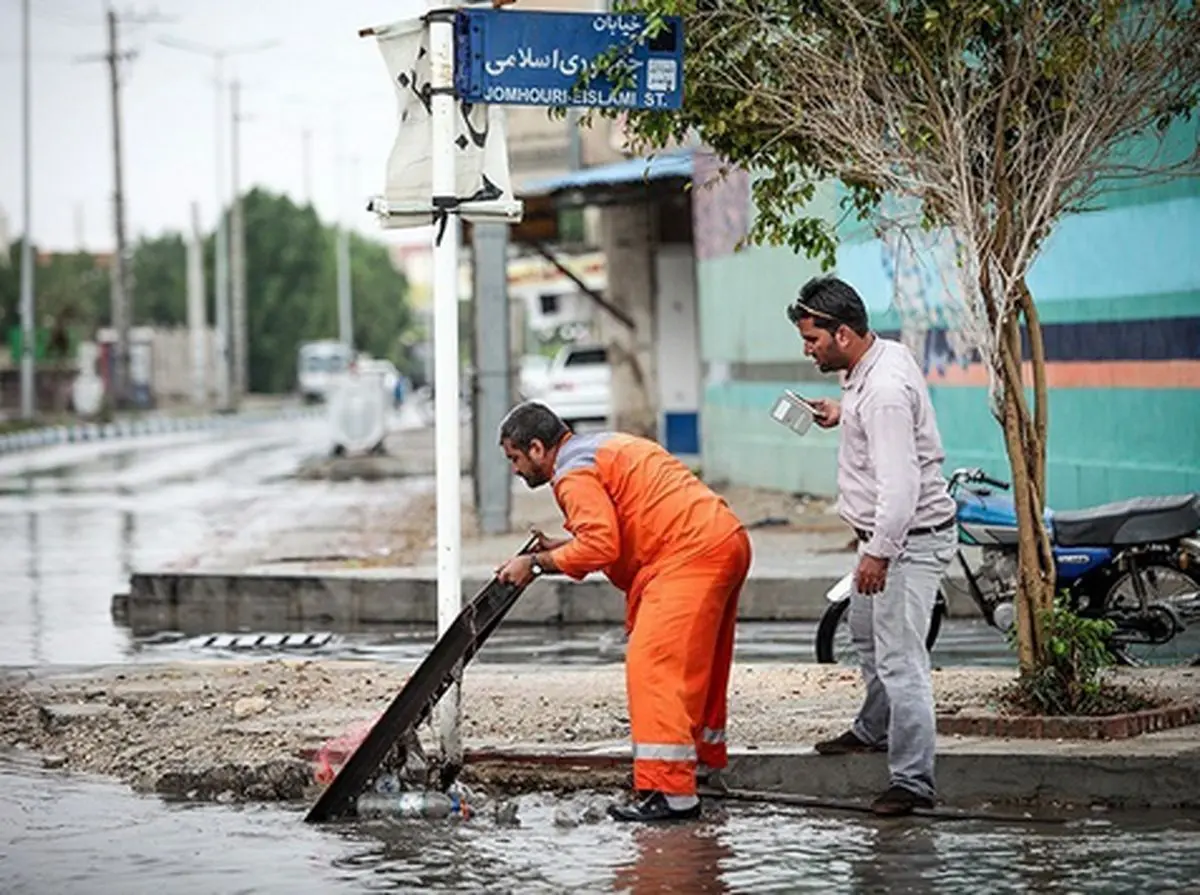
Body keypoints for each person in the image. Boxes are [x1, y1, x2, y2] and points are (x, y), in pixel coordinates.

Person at [495, 401, 752, 823]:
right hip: (722, 539)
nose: (516, 470)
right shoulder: (602, 448)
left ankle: (672, 795)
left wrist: (536, 564)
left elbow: (600, 545)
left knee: (653, 668)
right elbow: (622, 525)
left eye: (515, 459)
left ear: (538, 448)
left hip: (686, 555)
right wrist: (558, 549)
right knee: (699, 669)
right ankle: (701, 769)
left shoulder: (571, 475)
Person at [787, 275, 957, 817]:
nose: (806, 349)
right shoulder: (877, 361)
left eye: (812, 339)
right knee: (863, 633)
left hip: (903, 545)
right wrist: (842, 414)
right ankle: (873, 728)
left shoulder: (881, 392)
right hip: (884, 542)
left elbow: (901, 485)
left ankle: (913, 782)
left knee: (902, 660)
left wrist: (879, 554)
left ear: (842, 334)